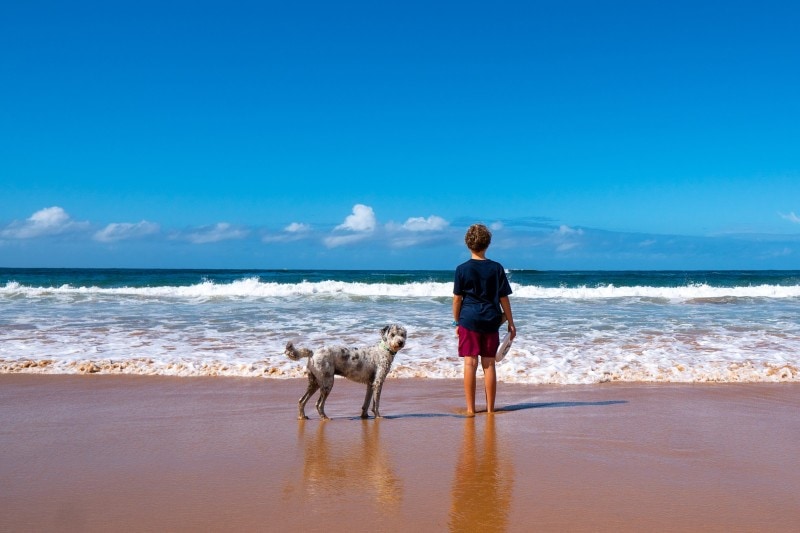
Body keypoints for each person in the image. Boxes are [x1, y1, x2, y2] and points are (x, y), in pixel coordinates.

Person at [452, 223, 516, 415]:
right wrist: (511, 323)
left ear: (467, 244)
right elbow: (503, 298)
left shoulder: (461, 269)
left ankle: (471, 409)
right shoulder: (496, 268)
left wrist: (457, 322)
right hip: (491, 319)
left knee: (470, 363)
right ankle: (489, 410)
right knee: (489, 365)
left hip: (469, 319)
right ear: (488, 243)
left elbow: (457, 299)